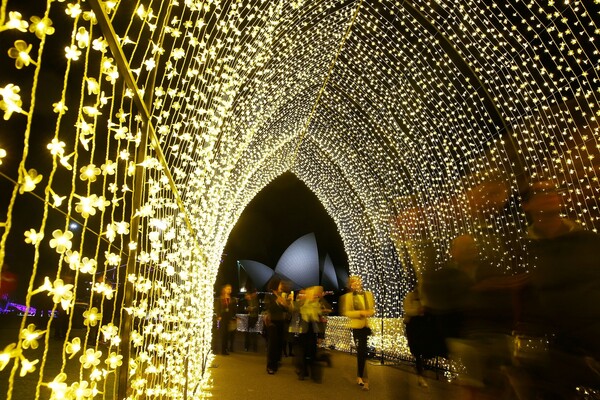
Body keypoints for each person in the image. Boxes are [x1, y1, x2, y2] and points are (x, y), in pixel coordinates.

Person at [340, 275, 375, 391]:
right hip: (356, 327)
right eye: (353, 283)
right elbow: (347, 313)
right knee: (361, 351)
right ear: (350, 285)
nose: (356, 284)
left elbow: (372, 310)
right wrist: (360, 313)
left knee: (363, 352)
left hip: (365, 327)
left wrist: (368, 312)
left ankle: (361, 377)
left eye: (358, 282)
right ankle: (362, 377)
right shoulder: (348, 297)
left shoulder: (368, 295)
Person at [264, 278, 292, 374]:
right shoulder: (269, 295)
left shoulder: (282, 296)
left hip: (281, 322)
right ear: (275, 285)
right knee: (272, 345)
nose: (282, 286)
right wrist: (278, 301)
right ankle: (270, 366)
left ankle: (276, 362)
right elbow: (267, 308)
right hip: (272, 323)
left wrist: (287, 304)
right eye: (280, 284)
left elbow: (286, 310)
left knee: (280, 343)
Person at [214, 284, 237, 355]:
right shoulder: (221, 298)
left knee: (227, 334)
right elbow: (218, 307)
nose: (229, 290)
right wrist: (218, 316)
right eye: (227, 289)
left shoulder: (231, 299)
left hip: (228, 317)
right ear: (224, 289)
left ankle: (225, 349)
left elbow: (232, 309)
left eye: (230, 289)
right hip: (222, 317)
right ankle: (222, 350)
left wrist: (233, 317)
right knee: (222, 334)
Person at [244, 287, 259, 352]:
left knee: (254, 333)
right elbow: (244, 307)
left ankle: (254, 347)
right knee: (247, 333)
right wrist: (247, 308)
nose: (256, 294)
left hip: (254, 317)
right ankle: (247, 346)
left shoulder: (255, 300)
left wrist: (253, 308)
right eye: (255, 293)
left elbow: (257, 308)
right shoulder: (248, 299)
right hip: (248, 317)